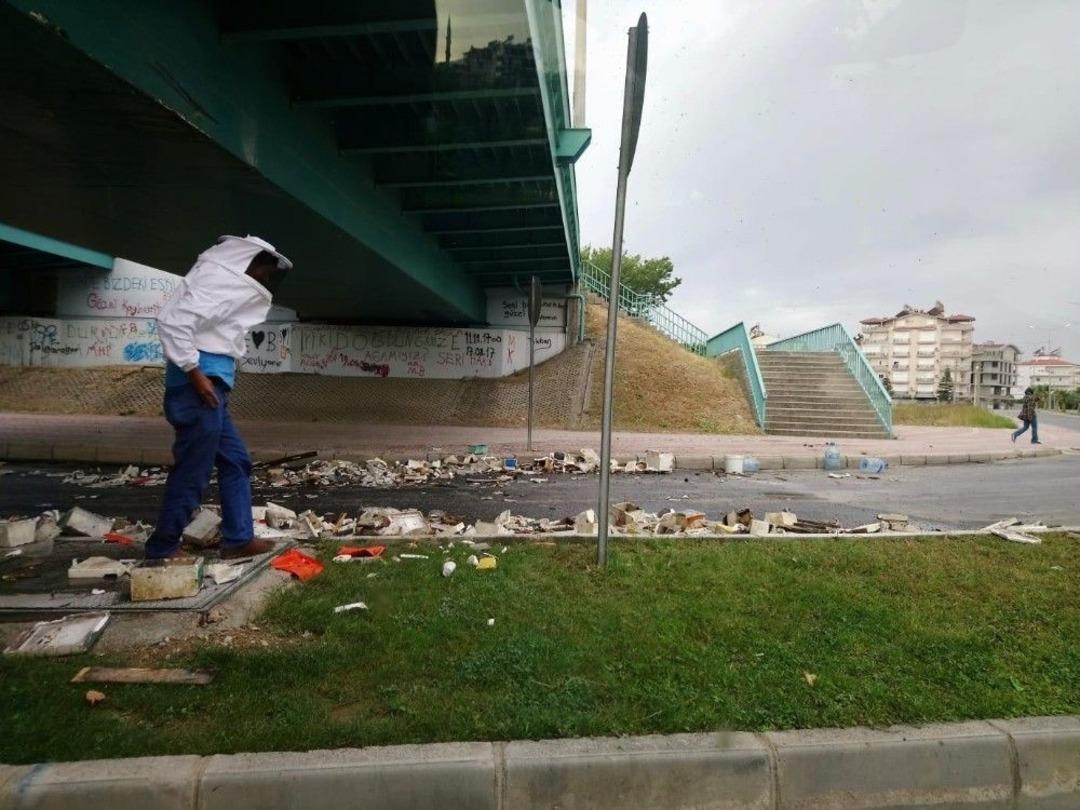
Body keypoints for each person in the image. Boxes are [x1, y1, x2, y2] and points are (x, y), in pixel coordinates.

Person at [145, 235, 292, 559]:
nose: (265, 278)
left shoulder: (220, 284)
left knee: (236, 460)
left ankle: (238, 539)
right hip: (199, 389)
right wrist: (196, 374)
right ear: (248, 262)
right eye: (264, 271)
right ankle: (162, 548)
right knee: (193, 471)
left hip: (210, 390)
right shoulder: (213, 281)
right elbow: (173, 322)